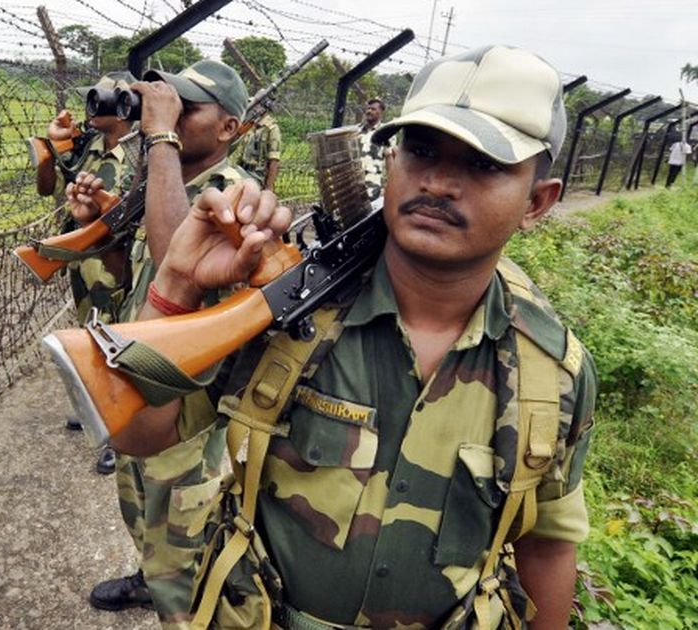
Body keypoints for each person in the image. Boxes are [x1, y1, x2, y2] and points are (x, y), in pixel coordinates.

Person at [111, 45, 597, 628]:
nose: (439, 182)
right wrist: (177, 287)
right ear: (391, 163)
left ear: (538, 202)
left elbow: (548, 543)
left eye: (483, 164)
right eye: (420, 149)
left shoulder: (551, 370)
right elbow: (140, 435)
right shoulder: (288, 306)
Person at [64, 59, 251, 619]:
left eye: (187, 108)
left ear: (229, 129)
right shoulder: (166, 188)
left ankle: (175, 595)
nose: (163, 112)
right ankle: (149, 576)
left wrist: (161, 138)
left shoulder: (231, 196)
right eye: (165, 102)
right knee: (142, 515)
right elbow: (133, 285)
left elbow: (180, 264)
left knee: (188, 564)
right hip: (142, 396)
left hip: (189, 421)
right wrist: (100, 232)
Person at [36, 72, 137, 475]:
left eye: (101, 100)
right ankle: (95, 407)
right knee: (91, 337)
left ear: (124, 106)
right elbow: (47, 187)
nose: (92, 107)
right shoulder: (85, 146)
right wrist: (49, 146)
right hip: (84, 264)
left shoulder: (144, 154)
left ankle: (118, 433)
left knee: (120, 346)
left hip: (122, 264)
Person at [237, 94, 282, 191]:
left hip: (256, 176)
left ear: (264, 108)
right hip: (241, 169)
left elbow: (274, 161)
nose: (253, 107)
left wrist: (269, 187)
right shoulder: (250, 125)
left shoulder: (272, 129)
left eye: (256, 105)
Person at [360, 97, 393, 201]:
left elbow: (389, 157)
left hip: (371, 182)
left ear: (381, 112)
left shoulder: (385, 132)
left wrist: (391, 184)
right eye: (368, 108)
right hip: (354, 180)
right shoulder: (356, 131)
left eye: (373, 109)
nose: (369, 111)